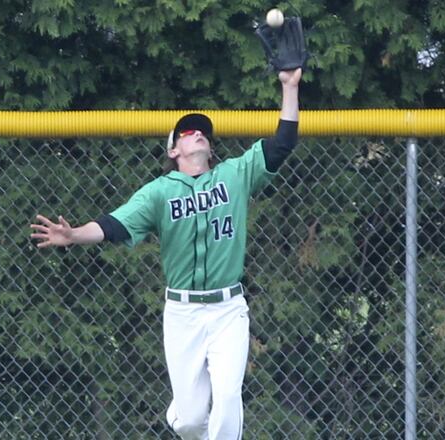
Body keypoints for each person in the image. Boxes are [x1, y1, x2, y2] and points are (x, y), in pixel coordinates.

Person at [29, 68, 302, 439]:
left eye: (203, 131)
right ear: (173, 150)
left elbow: (282, 143)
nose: (198, 134)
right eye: (188, 132)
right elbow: (113, 226)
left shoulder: (234, 175)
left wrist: (289, 87)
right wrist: (74, 234)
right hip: (183, 314)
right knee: (190, 421)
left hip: (227, 311)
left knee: (226, 399)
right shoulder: (158, 192)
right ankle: (183, 417)